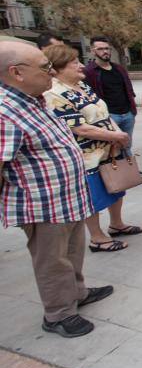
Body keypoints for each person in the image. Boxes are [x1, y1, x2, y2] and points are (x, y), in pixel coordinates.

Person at [0, 41, 113, 338]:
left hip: (68, 197)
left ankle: (76, 292)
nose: (50, 72)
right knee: (51, 259)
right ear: (16, 73)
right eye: (44, 67)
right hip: (42, 204)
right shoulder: (5, 111)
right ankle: (58, 314)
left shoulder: (36, 99)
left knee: (72, 251)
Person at [44, 44, 142, 252]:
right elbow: (80, 128)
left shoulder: (83, 86)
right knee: (93, 195)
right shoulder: (55, 93)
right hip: (87, 155)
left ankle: (117, 224)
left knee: (116, 187)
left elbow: (103, 114)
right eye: (75, 63)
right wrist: (115, 135)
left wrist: (119, 136)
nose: (81, 66)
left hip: (110, 150)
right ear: (59, 67)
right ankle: (97, 237)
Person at [83, 36, 142, 180]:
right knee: (112, 146)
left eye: (107, 48)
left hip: (126, 113)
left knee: (127, 144)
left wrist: (132, 108)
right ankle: (114, 174)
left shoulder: (118, 68)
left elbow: (128, 89)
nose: (105, 52)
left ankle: (131, 170)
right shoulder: (89, 72)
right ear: (93, 51)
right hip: (109, 116)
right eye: (100, 49)